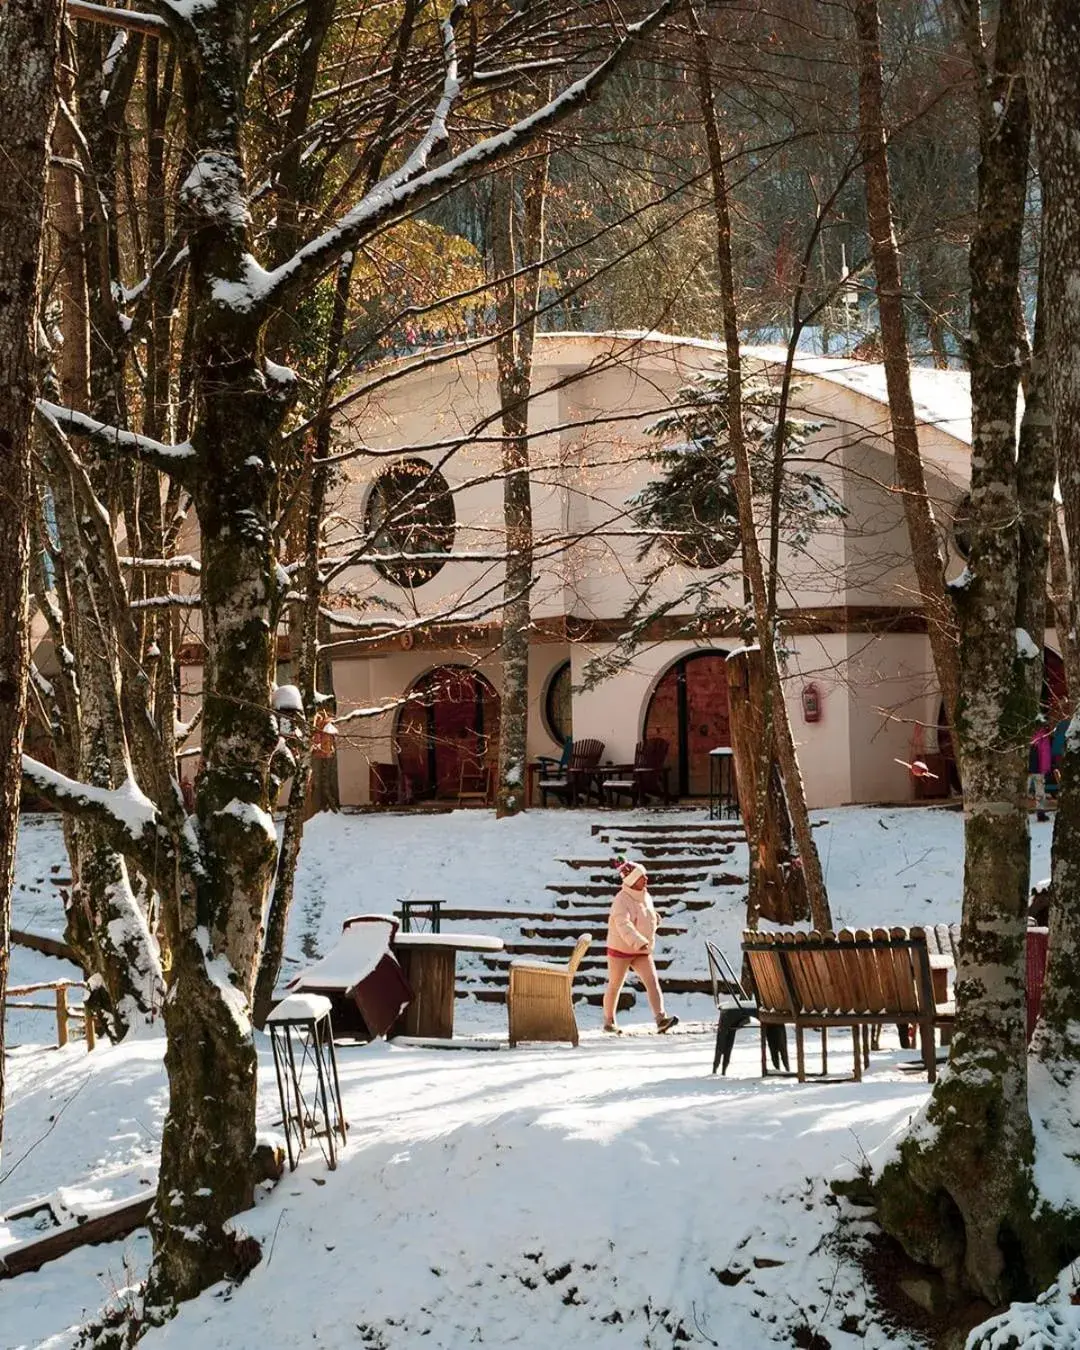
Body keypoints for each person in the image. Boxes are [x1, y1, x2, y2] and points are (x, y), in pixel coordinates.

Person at [602, 859, 678, 1035]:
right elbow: (623, 924)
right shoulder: (621, 900)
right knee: (615, 985)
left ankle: (661, 1019)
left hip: (641, 949)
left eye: (644, 875)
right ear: (631, 880)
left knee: (652, 982)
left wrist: (654, 921)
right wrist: (639, 940)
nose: (646, 878)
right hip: (621, 949)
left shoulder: (645, 895)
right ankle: (608, 1021)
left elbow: (646, 917)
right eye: (641, 876)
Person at [1028, 726, 1052, 823]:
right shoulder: (1044, 735)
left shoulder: (1025, 731)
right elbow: (1045, 753)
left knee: (1023, 789)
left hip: (1026, 767)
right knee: (1040, 792)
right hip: (1038, 768)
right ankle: (1041, 814)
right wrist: (1045, 769)